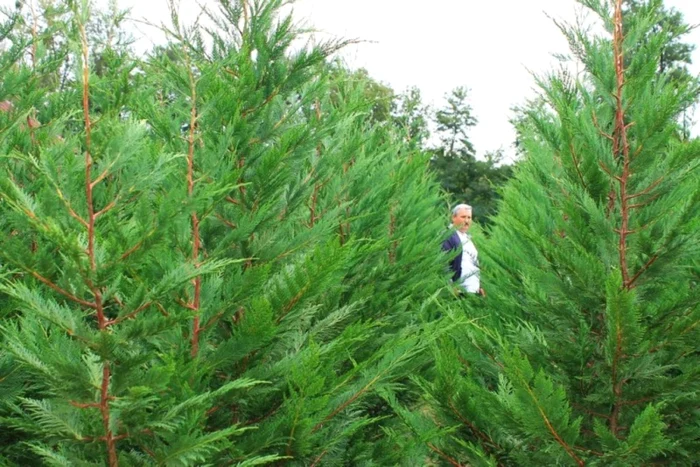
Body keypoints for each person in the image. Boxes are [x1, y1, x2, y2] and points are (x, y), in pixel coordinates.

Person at [441, 203, 485, 296]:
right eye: (463, 217)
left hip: (473, 291)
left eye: (469, 217)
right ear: (453, 217)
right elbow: (443, 263)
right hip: (458, 292)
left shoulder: (468, 238)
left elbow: (473, 264)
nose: (467, 221)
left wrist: (480, 286)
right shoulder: (448, 236)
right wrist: (450, 286)